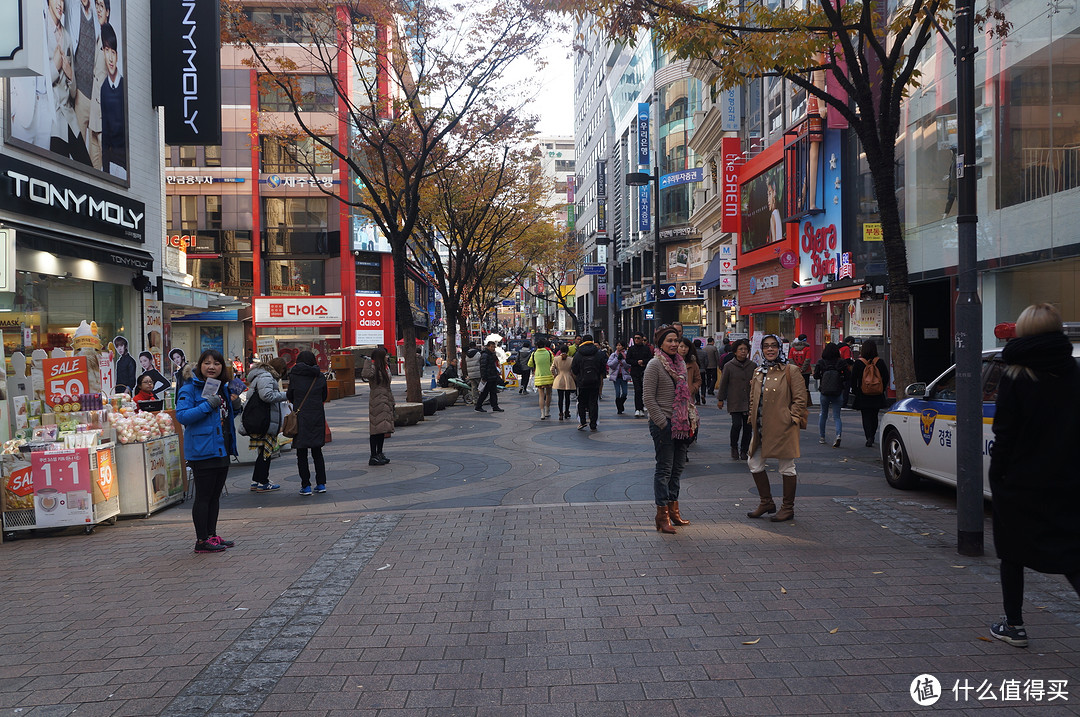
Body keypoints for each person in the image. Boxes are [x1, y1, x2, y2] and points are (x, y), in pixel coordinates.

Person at [987, 303, 1080, 648]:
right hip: (1067, 477)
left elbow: (1005, 432)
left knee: (1011, 551)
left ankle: (1015, 625)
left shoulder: (1015, 375)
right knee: (1072, 551)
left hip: (1020, 480)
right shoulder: (1072, 372)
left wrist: (999, 475)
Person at [176, 349, 240, 553]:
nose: (212, 367)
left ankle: (212, 535)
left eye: (217, 363)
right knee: (203, 496)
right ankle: (201, 540)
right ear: (199, 366)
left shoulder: (222, 388)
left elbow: (224, 414)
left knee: (214, 496)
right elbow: (183, 416)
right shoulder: (189, 388)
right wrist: (207, 405)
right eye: (207, 363)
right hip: (202, 450)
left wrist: (236, 404)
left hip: (221, 448)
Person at [746, 334, 808, 522]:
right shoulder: (758, 371)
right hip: (761, 427)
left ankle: (787, 508)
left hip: (784, 427)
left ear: (780, 348)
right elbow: (753, 397)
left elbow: (800, 398)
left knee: (786, 467)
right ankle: (766, 502)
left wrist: (792, 418)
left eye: (774, 346)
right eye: (766, 346)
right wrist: (751, 416)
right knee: (754, 463)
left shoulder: (791, 370)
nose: (770, 349)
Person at [644, 325, 698, 534]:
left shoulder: (681, 364)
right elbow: (648, 398)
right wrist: (663, 423)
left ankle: (674, 511)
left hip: (683, 424)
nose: (675, 344)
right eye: (670, 341)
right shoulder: (654, 365)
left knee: (677, 469)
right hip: (664, 424)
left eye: (677, 340)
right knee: (664, 469)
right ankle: (662, 516)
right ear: (660, 343)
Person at [245, 356, 288, 491]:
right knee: (266, 452)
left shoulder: (262, 375)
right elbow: (267, 396)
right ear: (279, 369)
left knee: (263, 451)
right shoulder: (267, 377)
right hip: (265, 420)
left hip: (260, 419)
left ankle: (256, 480)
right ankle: (263, 482)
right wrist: (286, 395)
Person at [287, 351, 327, 496]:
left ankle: (306, 486)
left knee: (301, 452)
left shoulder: (294, 375)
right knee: (317, 451)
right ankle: (321, 484)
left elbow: (289, 395)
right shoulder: (319, 375)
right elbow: (325, 395)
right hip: (316, 416)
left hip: (301, 416)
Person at [717, 339, 756, 461]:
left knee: (748, 427)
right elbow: (723, 383)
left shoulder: (753, 366)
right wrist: (721, 399)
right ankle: (734, 446)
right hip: (735, 400)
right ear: (735, 352)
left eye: (745, 349)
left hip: (749, 400)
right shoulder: (729, 366)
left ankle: (744, 450)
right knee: (737, 424)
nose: (743, 352)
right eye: (741, 349)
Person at [849, 339, 890, 447]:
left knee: (865, 416)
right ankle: (872, 434)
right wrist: (882, 388)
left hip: (863, 394)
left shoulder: (859, 363)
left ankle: (868, 437)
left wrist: (856, 390)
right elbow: (886, 377)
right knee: (874, 415)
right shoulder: (879, 362)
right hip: (877, 394)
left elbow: (853, 379)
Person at [364, 347, 395, 465]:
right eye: (385, 355)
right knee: (376, 428)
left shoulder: (384, 368)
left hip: (386, 399)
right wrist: (368, 361)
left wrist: (392, 401)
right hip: (377, 401)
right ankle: (373, 455)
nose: (387, 357)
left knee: (382, 429)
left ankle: (380, 452)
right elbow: (366, 374)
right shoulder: (373, 368)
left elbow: (388, 386)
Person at [813, 342, 847, 448]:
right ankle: (838, 435)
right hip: (837, 391)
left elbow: (816, 376)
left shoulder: (821, 362)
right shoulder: (841, 362)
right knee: (837, 416)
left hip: (825, 391)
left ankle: (822, 437)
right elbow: (848, 375)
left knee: (823, 414)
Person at [571, 334, 606, 431]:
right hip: (595, 381)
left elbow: (574, 368)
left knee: (581, 402)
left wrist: (579, 375)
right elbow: (603, 366)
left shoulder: (579, 353)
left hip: (582, 382)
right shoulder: (598, 352)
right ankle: (593, 423)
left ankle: (582, 421)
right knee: (593, 402)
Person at [528, 338, 555, 419]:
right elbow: (553, 363)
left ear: (537, 346)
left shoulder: (534, 354)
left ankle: (542, 413)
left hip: (539, 377)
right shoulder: (549, 353)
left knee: (541, 396)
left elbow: (530, 364)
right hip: (549, 376)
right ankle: (547, 411)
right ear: (544, 345)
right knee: (549, 394)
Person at [626, 333, 652, 418]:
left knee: (644, 390)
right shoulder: (631, 349)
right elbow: (628, 360)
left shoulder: (646, 349)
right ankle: (638, 408)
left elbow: (650, 359)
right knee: (637, 390)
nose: (636, 340)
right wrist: (636, 362)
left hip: (644, 371)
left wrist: (643, 361)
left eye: (638, 338)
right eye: (635, 338)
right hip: (635, 372)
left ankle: (642, 406)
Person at [474, 340, 504, 413]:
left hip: (492, 377)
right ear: (488, 347)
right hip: (488, 377)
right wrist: (484, 377)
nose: (493, 348)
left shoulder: (491, 355)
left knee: (493, 393)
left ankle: (495, 406)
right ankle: (478, 406)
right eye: (491, 347)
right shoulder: (485, 355)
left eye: (494, 347)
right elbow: (483, 367)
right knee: (484, 393)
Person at [606, 341, 631, 415]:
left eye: (620, 345)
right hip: (616, 377)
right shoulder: (613, 355)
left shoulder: (626, 354)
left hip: (624, 376)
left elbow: (628, 365)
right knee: (617, 393)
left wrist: (623, 360)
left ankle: (621, 404)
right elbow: (610, 365)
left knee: (625, 393)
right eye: (617, 345)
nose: (618, 347)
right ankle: (619, 408)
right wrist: (617, 359)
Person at [552, 344, 576, 421]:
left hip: (559, 378)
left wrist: (555, 375)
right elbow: (573, 370)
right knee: (567, 397)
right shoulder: (571, 359)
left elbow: (552, 369)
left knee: (560, 397)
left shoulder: (556, 359)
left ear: (560, 351)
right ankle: (567, 411)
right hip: (568, 378)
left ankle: (560, 413)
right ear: (567, 351)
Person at [788, 334, 813, 407]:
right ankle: (805, 402)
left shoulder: (793, 348)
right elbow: (807, 359)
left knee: (796, 386)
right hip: (806, 371)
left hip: (795, 371)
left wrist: (796, 368)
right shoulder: (807, 348)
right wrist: (802, 369)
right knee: (805, 387)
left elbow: (790, 359)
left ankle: (796, 401)